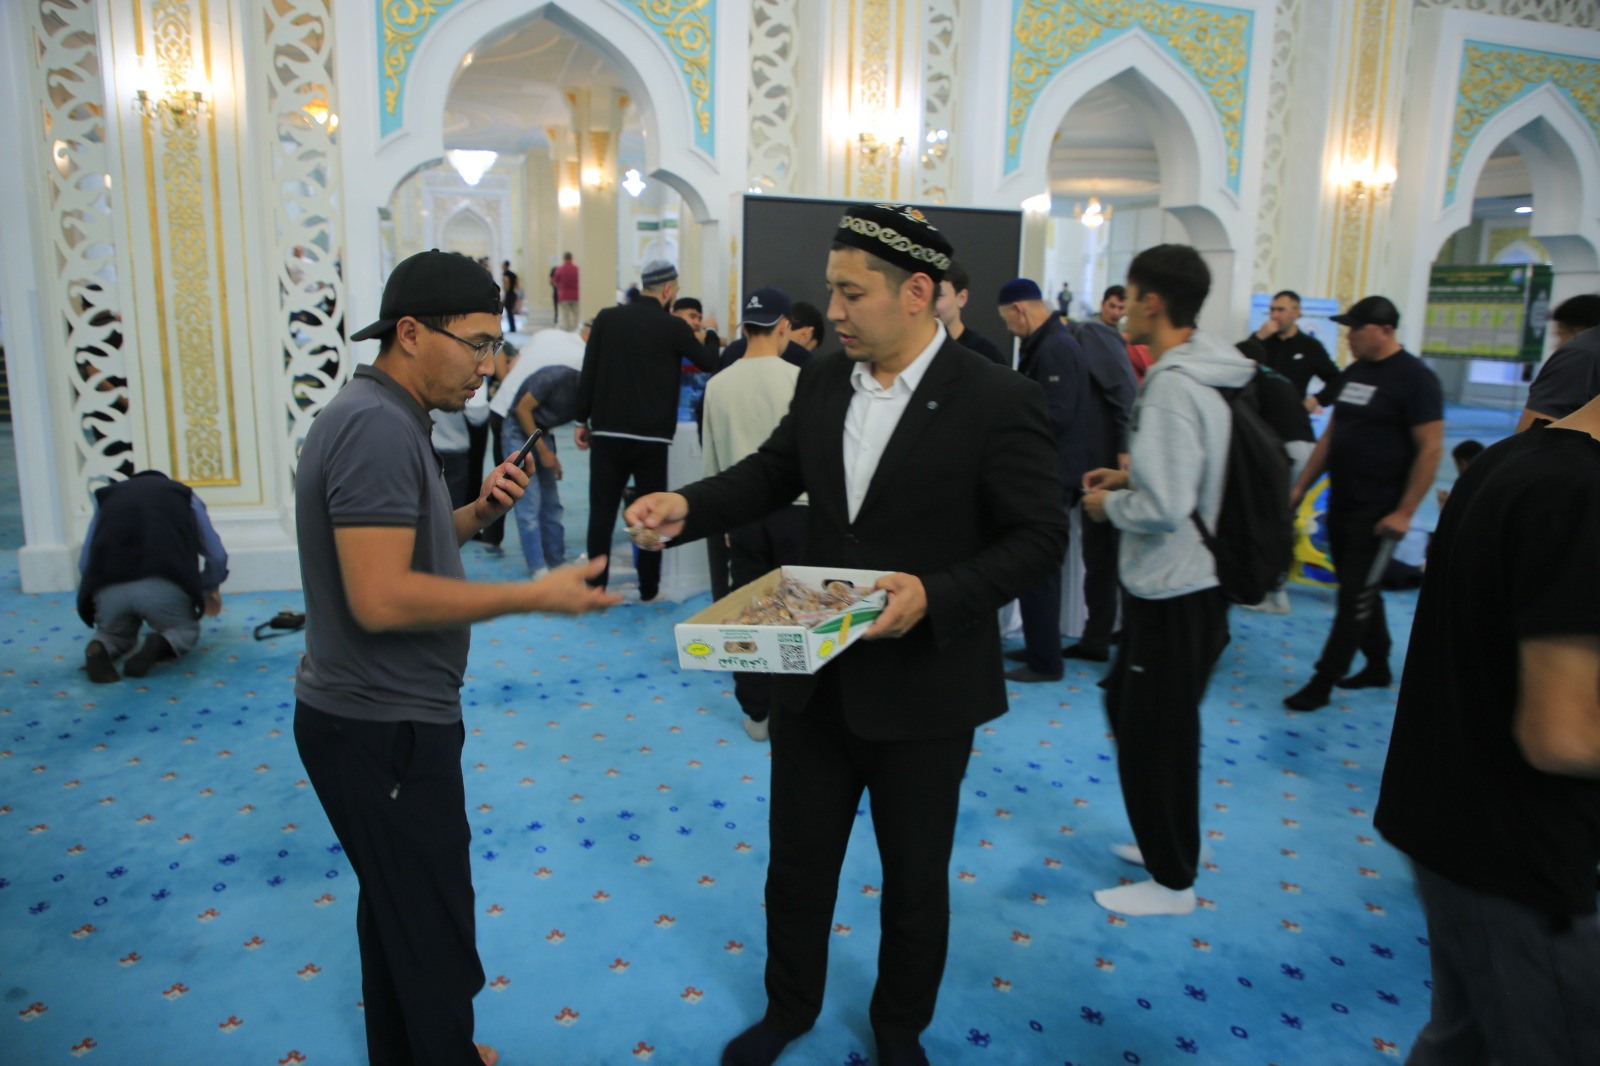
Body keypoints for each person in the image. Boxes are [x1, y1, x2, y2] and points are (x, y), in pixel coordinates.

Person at [625, 203, 1068, 1066]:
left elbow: (1040, 538)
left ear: (918, 293)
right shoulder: (824, 378)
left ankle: (899, 1031)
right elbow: (771, 474)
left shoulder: (995, 397)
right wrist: (687, 507)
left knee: (914, 882)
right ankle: (788, 1009)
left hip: (926, 692)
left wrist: (935, 595)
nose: (832, 311)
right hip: (816, 676)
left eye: (851, 293)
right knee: (796, 868)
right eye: (831, 290)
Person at [293, 249, 619, 1066]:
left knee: (400, 916)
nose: (488, 365)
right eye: (476, 343)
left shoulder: (385, 415)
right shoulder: (375, 427)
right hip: (383, 724)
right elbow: (380, 596)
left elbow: (401, 545)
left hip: (376, 716)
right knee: (433, 934)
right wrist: (532, 596)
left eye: (494, 346)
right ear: (409, 333)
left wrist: (473, 512)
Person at [1373, 393, 1600, 1065]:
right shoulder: (1581, 494)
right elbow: (1562, 733)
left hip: (1452, 820)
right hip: (1520, 852)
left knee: (1464, 1039)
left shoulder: (1508, 459)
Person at [1081, 243, 1255, 917]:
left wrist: (1110, 506)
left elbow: (1166, 506)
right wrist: (1128, 479)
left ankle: (1173, 880)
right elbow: (1189, 475)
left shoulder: (1176, 385)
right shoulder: (1207, 369)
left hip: (1177, 588)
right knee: (1132, 710)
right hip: (1183, 584)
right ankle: (1161, 839)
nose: (1121, 308)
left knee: (1159, 735)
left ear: (1153, 303)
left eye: (1129, 295)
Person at [1282, 295, 1443, 710]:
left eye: (1356, 328)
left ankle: (1323, 680)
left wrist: (1405, 512)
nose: (1349, 336)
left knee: (1353, 597)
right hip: (1343, 501)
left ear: (1385, 331)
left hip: (1379, 510)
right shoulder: (1356, 372)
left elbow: (1430, 448)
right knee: (1360, 587)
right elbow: (1332, 435)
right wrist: (1300, 488)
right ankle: (1378, 664)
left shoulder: (1415, 379)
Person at [574, 258, 718, 598]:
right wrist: (710, 333)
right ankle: (649, 588)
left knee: (602, 513)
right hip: (652, 439)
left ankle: (594, 587)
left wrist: (582, 420)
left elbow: (589, 369)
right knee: (651, 515)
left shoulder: (607, 318)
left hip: (608, 433)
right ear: (667, 290)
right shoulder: (673, 327)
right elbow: (709, 361)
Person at [701, 287, 808, 742]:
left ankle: (757, 712)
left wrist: (721, 519)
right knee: (799, 613)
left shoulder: (717, 385)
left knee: (749, 612)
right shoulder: (800, 379)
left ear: (744, 328)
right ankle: (798, 708)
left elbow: (712, 465)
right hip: (798, 513)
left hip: (742, 514)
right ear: (784, 327)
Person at [996, 276, 1091, 682]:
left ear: (1019, 310)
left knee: (1039, 568)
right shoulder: (1048, 343)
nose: (1008, 328)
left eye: (1007, 319)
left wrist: (1010, 427)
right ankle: (1039, 647)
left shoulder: (1055, 347)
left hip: (1052, 473)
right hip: (1049, 471)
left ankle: (1046, 661)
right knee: (1037, 568)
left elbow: (1058, 415)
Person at [77, 470, 228, 684]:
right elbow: (217, 556)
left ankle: (100, 646)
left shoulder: (106, 498)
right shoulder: (184, 496)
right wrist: (206, 587)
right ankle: (159, 644)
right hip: (164, 585)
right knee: (182, 630)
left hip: (109, 587)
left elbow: (85, 563)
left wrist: (98, 595)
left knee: (113, 634)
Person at [505, 362, 582, 578]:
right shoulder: (555, 377)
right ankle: (537, 567)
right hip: (518, 428)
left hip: (543, 430)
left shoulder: (592, 394)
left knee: (551, 504)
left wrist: (551, 456)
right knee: (529, 503)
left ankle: (556, 561)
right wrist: (544, 452)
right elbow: (522, 409)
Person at [1237, 290, 1343, 410]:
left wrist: (1316, 400)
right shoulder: (1261, 340)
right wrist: (1258, 337)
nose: (1274, 316)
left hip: (1291, 415)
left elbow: (1336, 380)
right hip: (1257, 414)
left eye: (1280, 310)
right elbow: (1239, 363)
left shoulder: (1310, 346)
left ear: (1296, 313)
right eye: (1272, 310)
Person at [1517, 293, 1600, 430]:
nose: (1556, 345)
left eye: (1560, 334)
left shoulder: (1580, 356)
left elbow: (1534, 434)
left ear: (1579, 331)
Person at [934, 259, 1006, 365]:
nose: (929, 304)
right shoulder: (914, 350)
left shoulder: (986, 354)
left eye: (938, 295)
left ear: (961, 298)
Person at [716, 300, 824, 370]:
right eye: (810, 347)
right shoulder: (804, 361)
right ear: (806, 333)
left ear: (744, 329)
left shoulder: (731, 351)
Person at [553, 252, 580, 331]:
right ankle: (576, 329)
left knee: (565, 315)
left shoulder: (560, 269)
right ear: (571, 259)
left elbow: (555, 281)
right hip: (575, 295)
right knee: (576, 315)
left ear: (564, 259)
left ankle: (567, 330)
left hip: (564, 295)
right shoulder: (576, 269)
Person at [500, 260, 520, 333]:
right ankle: (513, 327)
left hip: (509, 294)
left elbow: (507, 282)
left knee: (509, 311)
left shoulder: (506, 273)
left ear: (505, 266)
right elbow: (517, 284)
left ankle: (512, 327)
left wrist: (506, 292)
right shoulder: (513, 274)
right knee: (511, 311)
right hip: (513, 293)